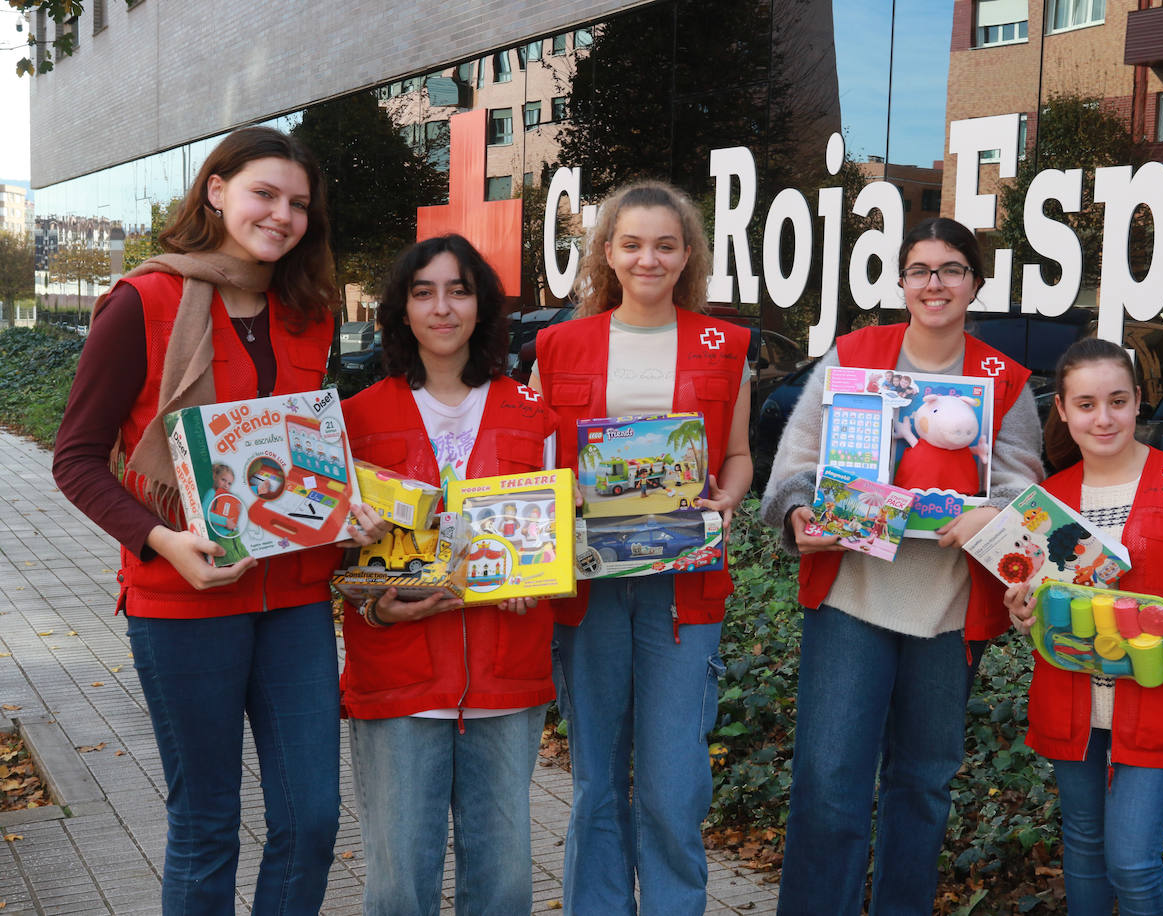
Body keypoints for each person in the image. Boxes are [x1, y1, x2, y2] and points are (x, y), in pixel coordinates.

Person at [51, 126, 386, 914]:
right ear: (216, 190)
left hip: (294, 601)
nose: (282, 215)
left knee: (311, 822)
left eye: (299, 204)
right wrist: (164, 540)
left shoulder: (308, 310)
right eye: (265, 193)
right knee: (207, 827)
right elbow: (76, 459)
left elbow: (301, 456)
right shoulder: (143, 301)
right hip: (183, 601)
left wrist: (346, 508)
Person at [760, 216, 1044, 913]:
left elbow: (1023, 497)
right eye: (920, 270)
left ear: (975, 282)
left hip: (945, 615)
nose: (935, 284)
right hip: (854, 601)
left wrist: (992, 517)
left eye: (951, 269)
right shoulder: (856, 355)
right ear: (901, 283)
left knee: (922, 786)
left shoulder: (1002, 381)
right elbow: (796, 461)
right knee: (829, 783)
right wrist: (801, 516)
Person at [532, 180, 752, 914]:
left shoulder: (726, 345)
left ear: (687, 254)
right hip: (589, 585)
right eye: (632, 244)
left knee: (672, 780)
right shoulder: (559, 343)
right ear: (607, 253)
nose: (648, 259)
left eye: (665, 244)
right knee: (597, 778)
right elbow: (534, 463)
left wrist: (728, 495)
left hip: (683, 590)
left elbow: (741, 456)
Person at [339, 234, 559, 916]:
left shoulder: (533, 415)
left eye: (459, 290)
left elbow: (553, 540)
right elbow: (338, 562)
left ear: (482, 307)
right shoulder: (354, 420)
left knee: (502, 884)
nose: (442, 308)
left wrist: (536, 578)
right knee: (399, 883)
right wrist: (376, 611)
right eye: (424, 291)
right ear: (401, 310)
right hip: (399, 676)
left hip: (506, 677)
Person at [1005, 338, 1163, 915]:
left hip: (1160, 694)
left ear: (1139, 401)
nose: (1104, 417)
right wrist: (1023, 614)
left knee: (1133, 862)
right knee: (1085, 852)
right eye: (1086, 404)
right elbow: (1041, 608)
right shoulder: (1044, 505)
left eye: (1117, 400)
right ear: (1063, 410)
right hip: (1073, 703)